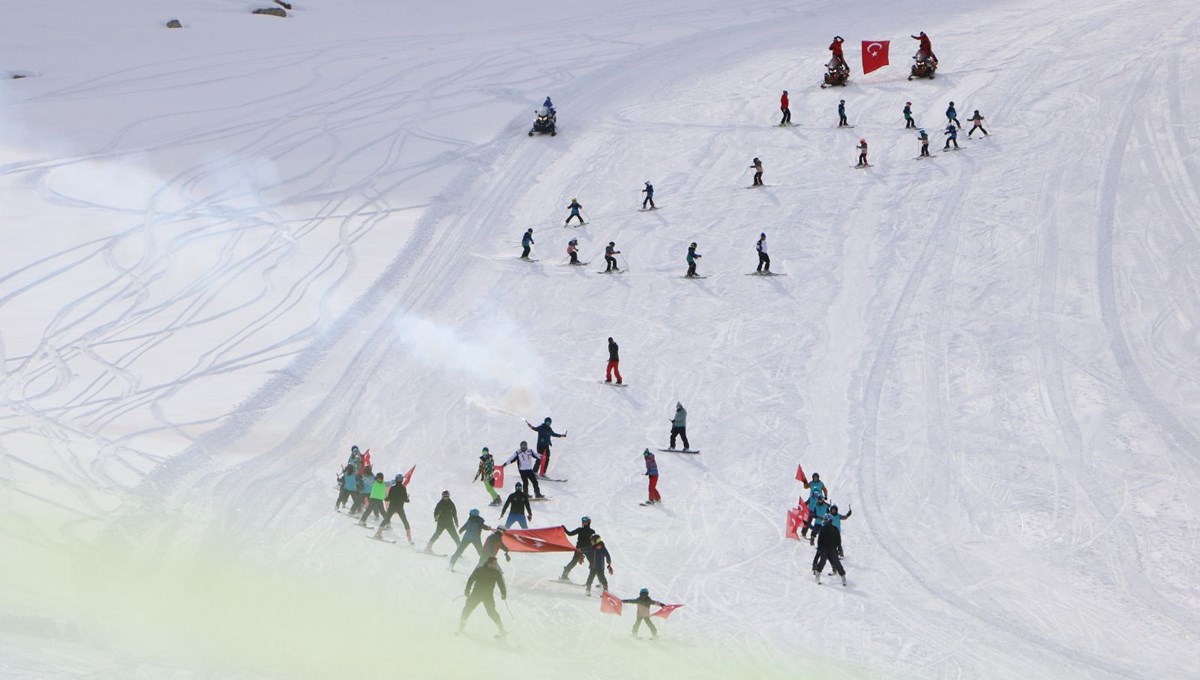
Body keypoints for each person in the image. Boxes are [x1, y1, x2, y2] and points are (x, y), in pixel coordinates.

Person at [459, 556, 507, 636]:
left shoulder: (496, 573)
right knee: (468, 609)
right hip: (476, 594)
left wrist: (503, 593)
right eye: (493, 564)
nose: (495, 565)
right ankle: (461, 627)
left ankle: (501, 629)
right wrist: (467, 590)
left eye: (496, 564)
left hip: (488, 596)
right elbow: (471, 579)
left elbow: (500, 583)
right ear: (489, 563)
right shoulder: (480, 570)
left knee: (491, 612)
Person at [377, 473, 413, 543]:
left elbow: (388, 498)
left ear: (396, 480)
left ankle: (378, 533)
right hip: (400, 508)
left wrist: (386, 498)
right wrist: (407, 499)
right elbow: (406, 500)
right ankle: (409, 539)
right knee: (405, 522)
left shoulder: (392, 488)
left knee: (386, 520)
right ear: (402, 480)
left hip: (392, 507)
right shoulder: (403, 488)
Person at [560, 516, 596, 580]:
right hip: (579, 549)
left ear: (589, 522)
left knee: (593, 564)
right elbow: (570, 533)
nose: (584, 522)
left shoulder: (592, 532)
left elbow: (594, 541)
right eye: (583, 521)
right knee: (573, 562)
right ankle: (564, 576)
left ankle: (600, 582)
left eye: (586, 521)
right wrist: (564, 528)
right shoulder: (580, 530)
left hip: (588, 549)